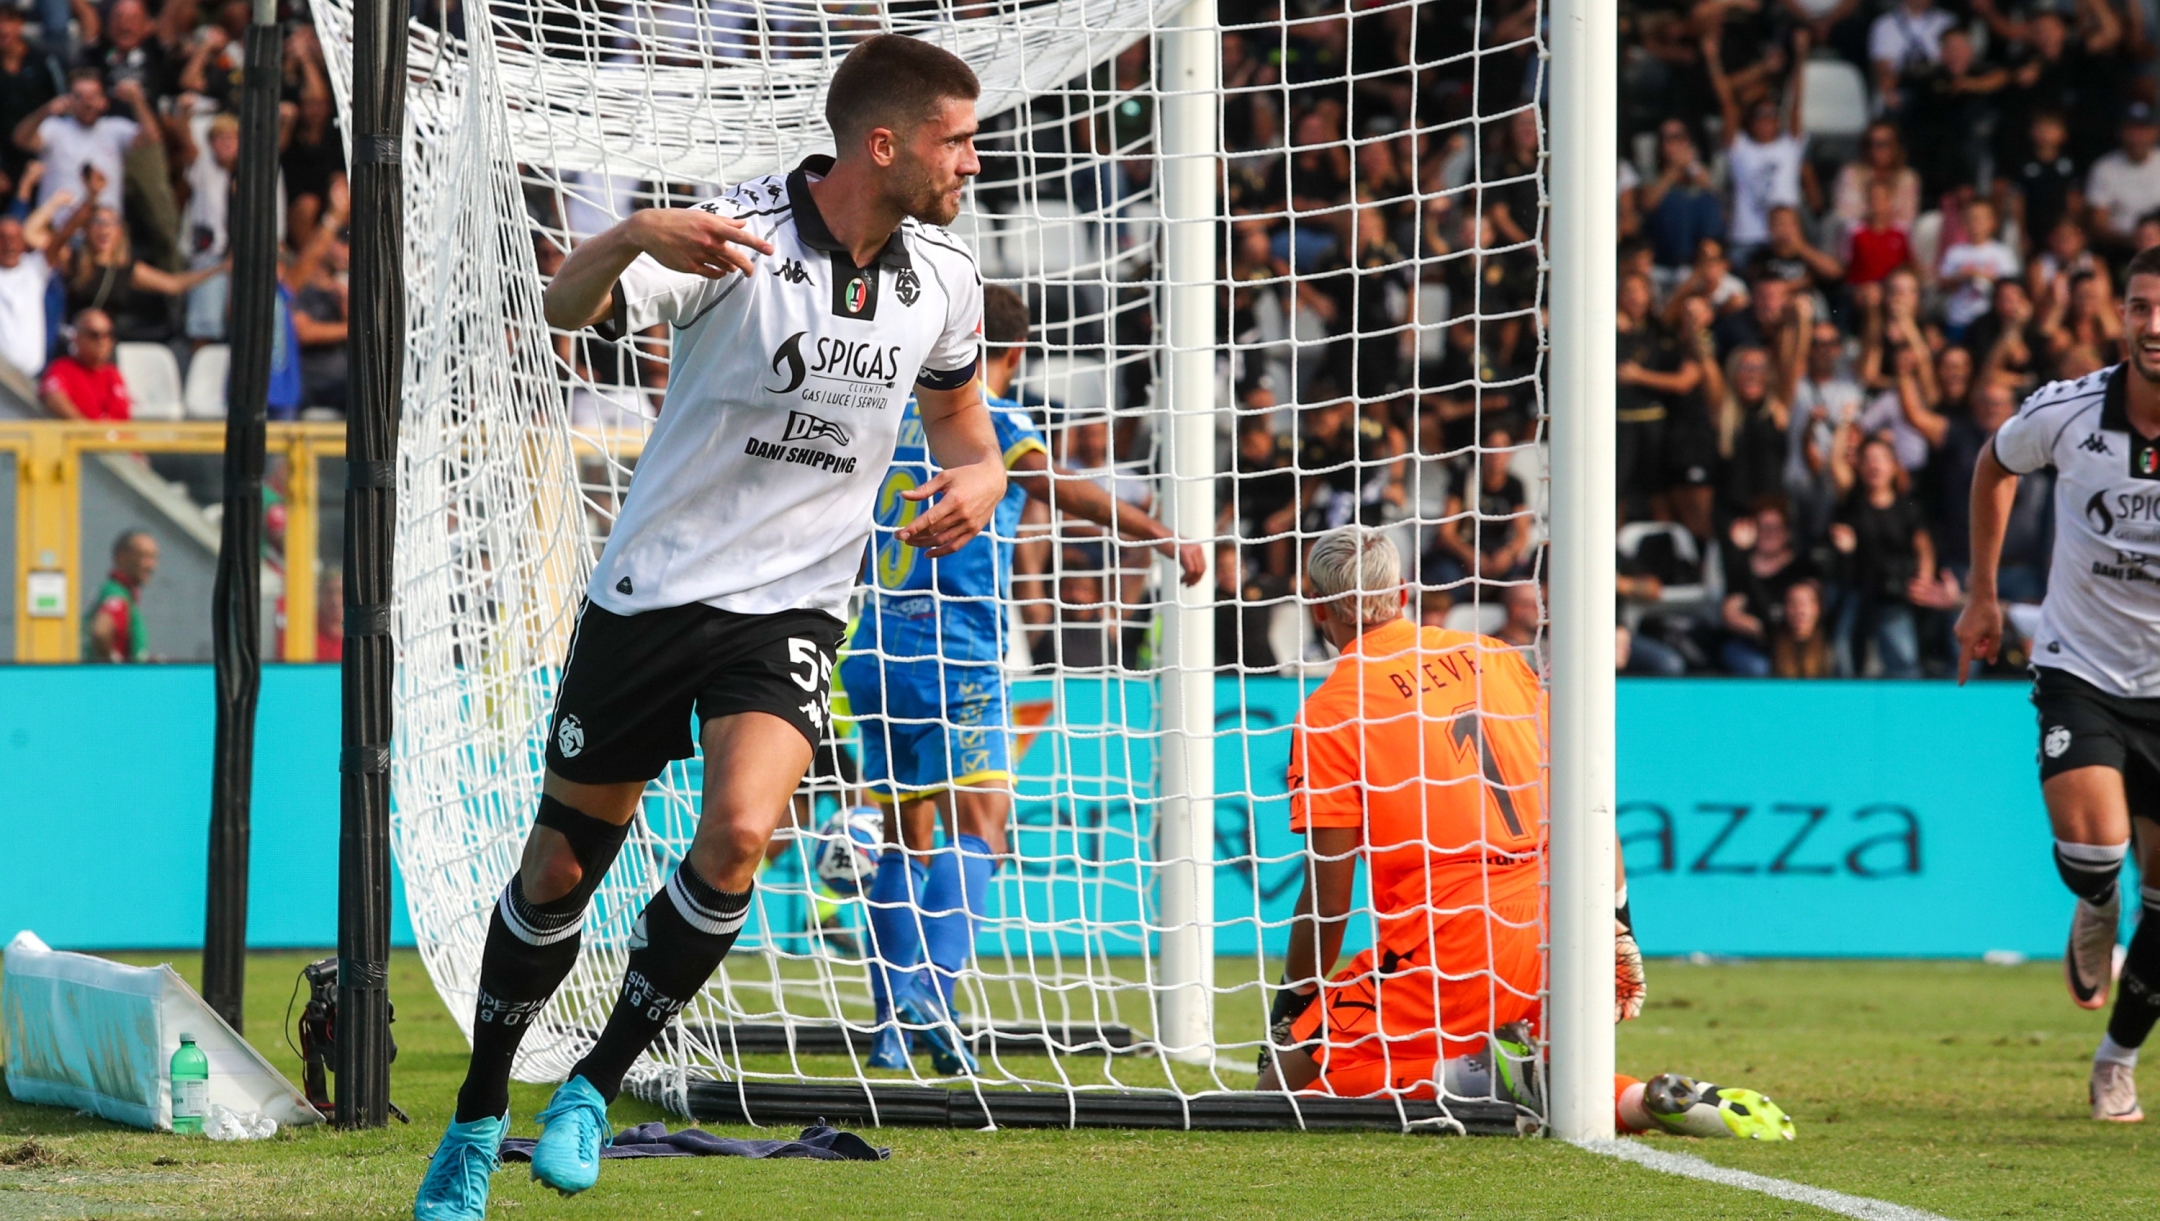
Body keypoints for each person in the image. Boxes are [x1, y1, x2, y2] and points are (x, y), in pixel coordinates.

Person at [412, 34, 1006, 1221]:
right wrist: (631, 236)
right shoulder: (732, 234)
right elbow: (563, 309)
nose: (973, 163)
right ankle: (478, 1117)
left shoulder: (946, 280)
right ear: (881, 144)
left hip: (791, 608)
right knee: (560, 869)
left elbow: (967, 435)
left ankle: (592, 1087)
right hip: (651, 593)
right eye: (957, 140)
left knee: (739, 831)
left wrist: (980, 481)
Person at [1252, 526, 1792, 1141]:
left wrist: (1292, 1007)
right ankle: (1641, 1099)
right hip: (1551, 927)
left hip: (1449, 940)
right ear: (1403, 594)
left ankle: (1477, 1079)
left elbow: (1328, 902)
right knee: (1537, 1066)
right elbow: (1585, 802)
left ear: (1318, 608)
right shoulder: (1497, 658)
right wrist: (1617, 924)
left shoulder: (1330, 712)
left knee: (1285, 1086)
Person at [838, 283, 1203, 1073]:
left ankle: (892, 1026)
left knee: (907, 831)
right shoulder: (992, 422)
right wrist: (1163, 534)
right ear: (1012, 354)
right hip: (957, 651)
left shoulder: (896, 414)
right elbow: (1063, 492)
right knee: (983, 826)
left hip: (873, 649)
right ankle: (932, 990)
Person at [1957, 245, 2160, 1123]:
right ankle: (2094, 897)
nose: (2157, 327)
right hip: (2083, 666)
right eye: (2143, 308)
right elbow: (1994, 466)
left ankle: (2116, 1059)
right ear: (2120, 315)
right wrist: (1981, 594)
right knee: (2094, 850)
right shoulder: (2070, 410)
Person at [2088, 104, 2160, 253]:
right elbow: (2098, 224)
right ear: (2121, 132)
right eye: (2131, 129)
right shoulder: (2104, 168)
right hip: (2121, 250)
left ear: (2155, 132)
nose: (2138, 136)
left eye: (2143, 129)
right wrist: (2135, 240)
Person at [37, 306, 126, 418]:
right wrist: (85, 431)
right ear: (77, 337)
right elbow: (53, 397)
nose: (102, 341)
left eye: (108, 334)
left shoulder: (112, 373)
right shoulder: (62, 368)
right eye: (94, 335)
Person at [83, 528, 155, 662]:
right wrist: (116, 666)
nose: (152, 565)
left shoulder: (111, 591)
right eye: (144, 556)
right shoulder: (117, 595)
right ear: (122, 557)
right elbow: (101, 631)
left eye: (154, 557)